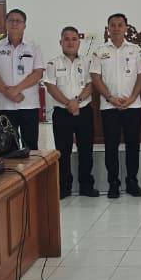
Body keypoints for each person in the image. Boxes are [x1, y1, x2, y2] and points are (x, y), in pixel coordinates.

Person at [91, 13, 141, 198]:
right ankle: (113, 182)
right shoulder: (99, 51)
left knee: (133, 145)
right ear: (108, 28)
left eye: (119, 25)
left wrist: (131, 98)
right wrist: (109, 97)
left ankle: (132, 181)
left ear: (126, 28)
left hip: (133, 105)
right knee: (111, 146)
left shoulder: (135, 49)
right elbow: (96, 78)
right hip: (109, 107)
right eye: (112, 25)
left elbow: (140, 76)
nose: (116, 28)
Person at [44, 27, 100, 198]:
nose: (70, 42)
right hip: (62, 113)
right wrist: (68, 103)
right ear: (60, 42)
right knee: (63, 151)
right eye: (66, 39)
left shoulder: (87, 62)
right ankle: (64, 186)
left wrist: (78, 102)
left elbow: (91, 85)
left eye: (74, 39)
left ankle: (86, 185)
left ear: (79, 42)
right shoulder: (53, 63)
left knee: (86, 150)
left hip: (84, 112)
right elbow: (51, 87)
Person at [0, 8, 44, 150]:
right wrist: (8, 92)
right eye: (11, 21)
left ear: (25, 25)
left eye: (18, 21)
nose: (14, 24)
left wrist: (16, 90)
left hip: (28, 105)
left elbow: (38, 73)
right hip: (4, 107)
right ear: (6, 24)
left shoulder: (34, 47)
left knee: (30, 147)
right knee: (5, 148)